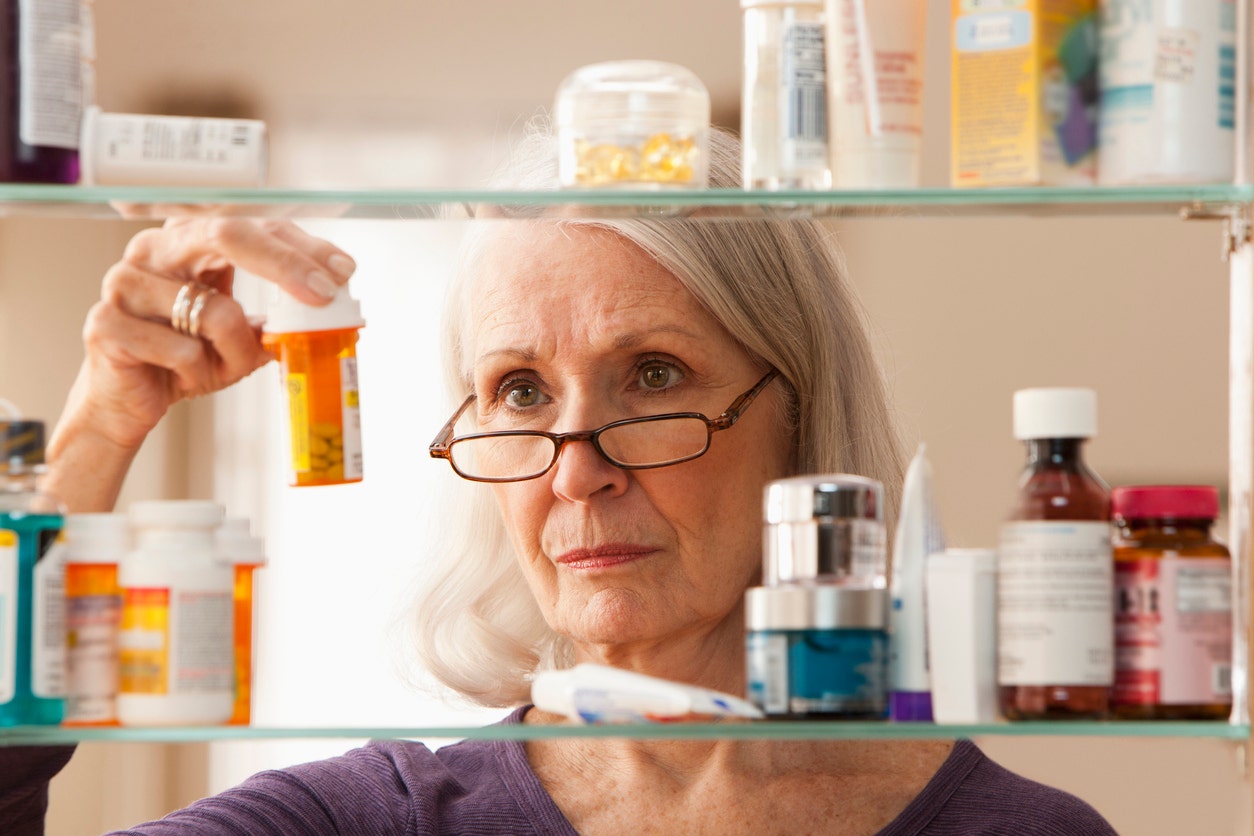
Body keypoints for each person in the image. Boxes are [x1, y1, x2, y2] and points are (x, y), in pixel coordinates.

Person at [2, 126, 1118, 835]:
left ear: (798, 417)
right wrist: (104, 420)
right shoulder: (374, 820)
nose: (577, 471)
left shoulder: (1020, 830)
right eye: (522, 391)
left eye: (654, 372)